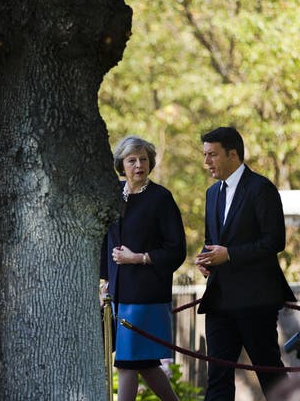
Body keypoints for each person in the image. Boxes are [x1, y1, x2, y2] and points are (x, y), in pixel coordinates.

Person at [195, 126, 296, 400]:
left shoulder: (261, 188)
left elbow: (274, 241)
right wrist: (206, 259)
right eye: (205, 155)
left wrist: (229, 254)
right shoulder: (211, 194)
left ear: (233, 154)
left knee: (270, 374)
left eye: (212, 155)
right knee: (217, 378)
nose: (207, 162)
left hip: (256, 300)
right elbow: (211, 239)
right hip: (219, 300)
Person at [100, 136, 186, 401]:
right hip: (119, 295)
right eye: (132, 160)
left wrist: (139, 258)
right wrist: (104, 282)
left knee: (127, 362)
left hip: (146, 296)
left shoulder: (161, 198)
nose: (139, 165)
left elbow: (176, 250)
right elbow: (106, 242)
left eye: (143, 159)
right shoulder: (113, 195)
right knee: (143, 364)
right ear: (121, 165)